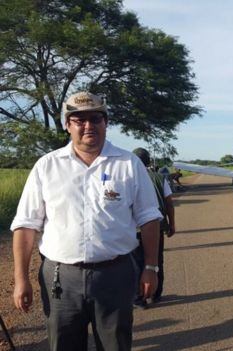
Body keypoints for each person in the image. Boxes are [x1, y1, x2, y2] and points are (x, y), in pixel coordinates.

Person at [11, 92, 162, 350]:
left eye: (95, 118)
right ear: (68, 125)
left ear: (106, 122)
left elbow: (149, 218)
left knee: (116, 344)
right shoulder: (47, 166)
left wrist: (151, 267)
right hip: (60, 278)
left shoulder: (129, 164)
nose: (88, 126)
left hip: (116, 274)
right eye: (79, 120)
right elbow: (26, 225)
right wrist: (21, 278)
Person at [132, 148, 176, 307]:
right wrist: (172, 224)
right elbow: (169, 203)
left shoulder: (127, 177)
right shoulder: (159, 178)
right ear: (149, 161)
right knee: (156, 261)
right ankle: (156, 294)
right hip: (156, 227)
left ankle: (139, 298)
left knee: (137, 263)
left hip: (134, 229)